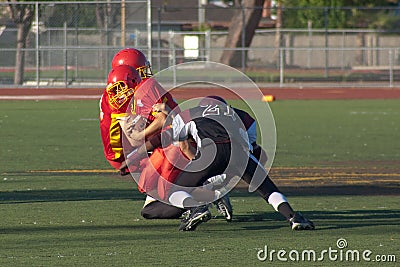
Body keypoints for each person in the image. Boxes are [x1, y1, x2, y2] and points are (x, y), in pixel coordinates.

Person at [148, 98, 315, 231]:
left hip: (210, 153)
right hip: (240, 155)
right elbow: (251, 147)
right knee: (268, 190)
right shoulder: (243, 116)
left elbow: (182, 144)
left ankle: (196, 209)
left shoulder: (190, 113)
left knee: (174, 190)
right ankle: (293, 218)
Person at [99, 64, 142, 171]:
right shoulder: (120, 104)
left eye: (120, 88)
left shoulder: (108, 96)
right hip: (122, 156)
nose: (118, 94)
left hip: (119, 152)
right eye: (115, 90)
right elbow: (136, 140)